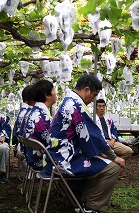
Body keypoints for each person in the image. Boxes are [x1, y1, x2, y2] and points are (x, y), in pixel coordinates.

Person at [45, 74, 125, 213]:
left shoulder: (68, 101)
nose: (93, 99)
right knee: (113, 168)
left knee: (97, 159)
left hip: (54, 157)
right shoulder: (77, 106)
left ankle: (74, 199)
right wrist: (113, 157)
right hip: (65, 161)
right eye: (94, 95)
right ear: (86, 90)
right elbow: (92, 136)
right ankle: (93, 206)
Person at [95, 98, 133, 179]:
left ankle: (117, 168)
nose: (102, 108)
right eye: (99, 106)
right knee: (104, 155)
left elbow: (114, 131)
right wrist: (104, 142)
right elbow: (94, 135)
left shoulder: (108, 120)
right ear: (95, 107)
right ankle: (115, 169)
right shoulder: (92, 120)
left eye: (103, 106)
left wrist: (112, 140)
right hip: (100, 143)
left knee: (128, 151)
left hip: (111, 141)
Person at [23, 80, 57, 170]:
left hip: (32, 157)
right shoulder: (42, 117)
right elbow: (52, 142)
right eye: (53, 90)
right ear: (47, 95)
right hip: (41, 161)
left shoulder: (34, 112)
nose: (56, 92)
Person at [12, 85, 34, 161]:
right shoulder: (31, 113)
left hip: (20, 146)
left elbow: (15, 134)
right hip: (26, 149)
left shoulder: (22, 112)